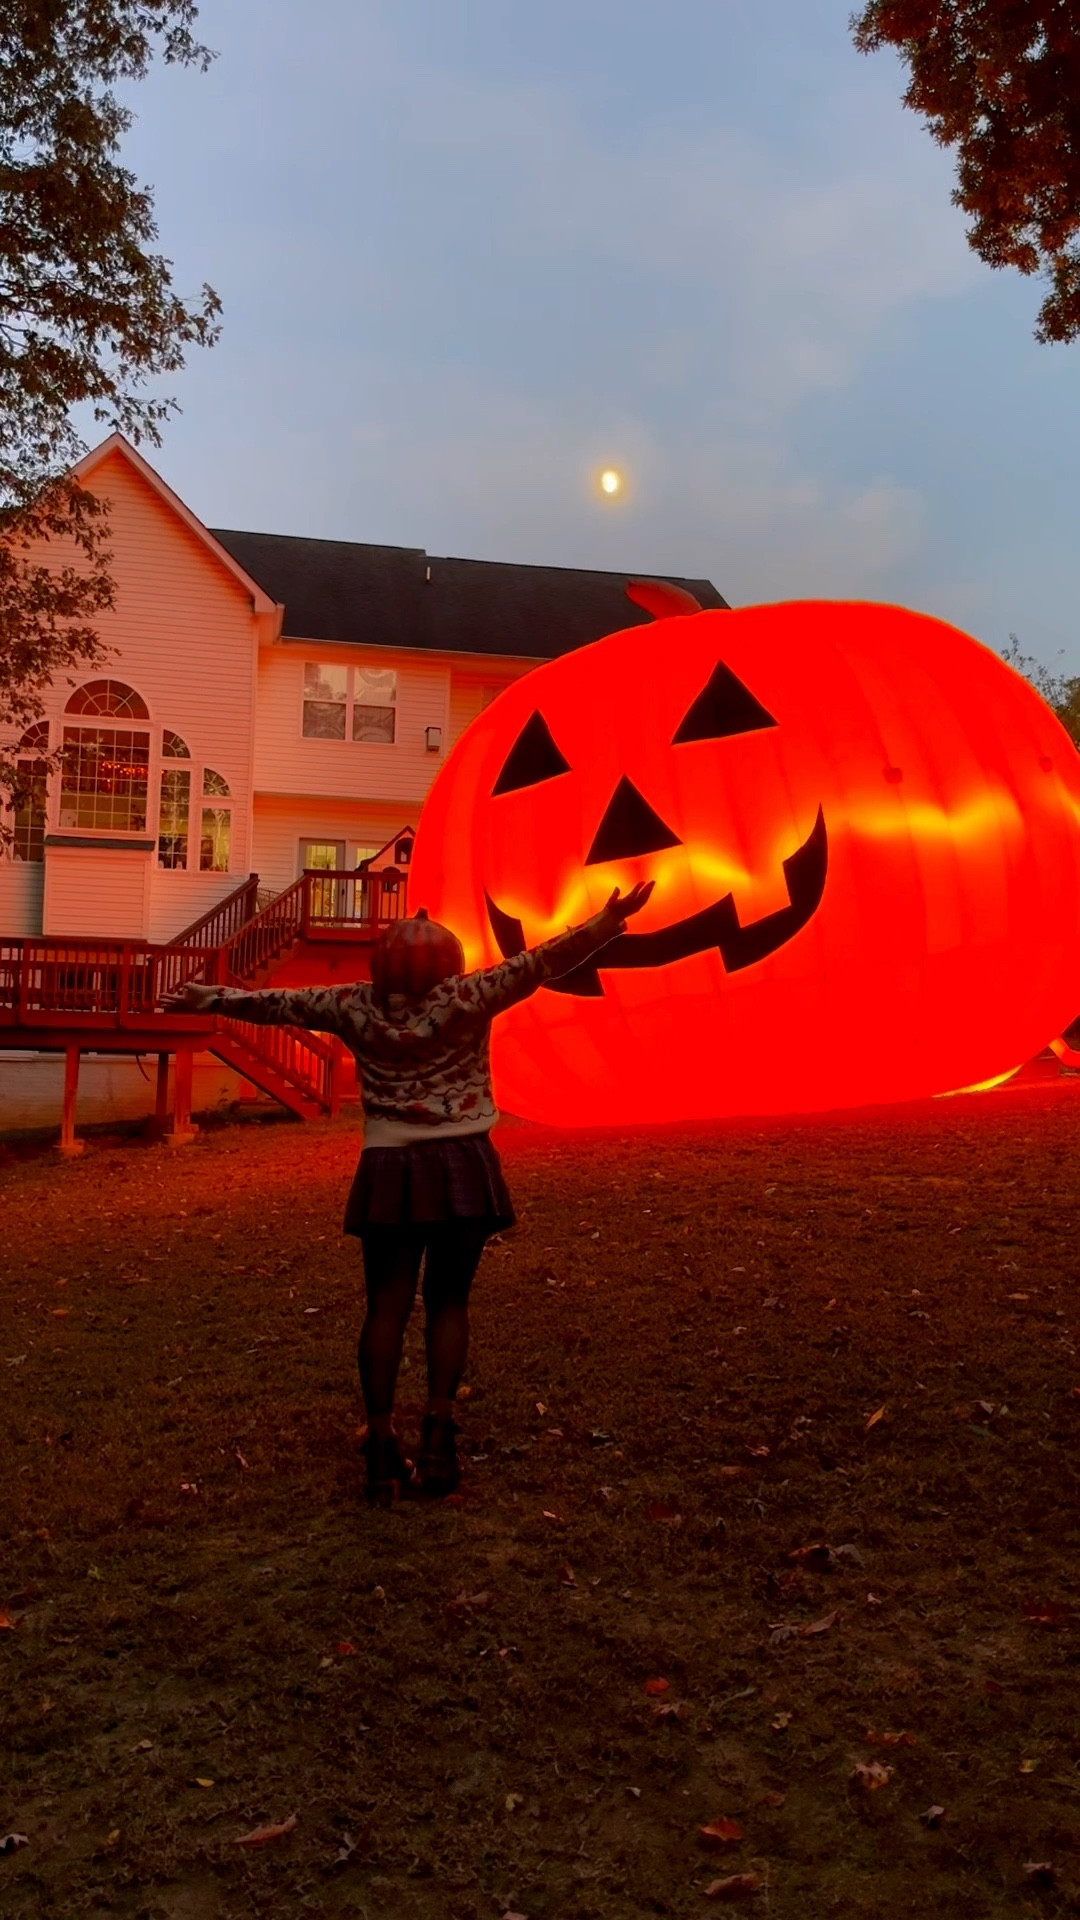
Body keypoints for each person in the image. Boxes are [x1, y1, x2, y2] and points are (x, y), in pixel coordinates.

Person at [163, 879, 654, 1506]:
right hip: (462, 1162)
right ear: (450, 963)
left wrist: (213, 998)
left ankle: (379, 1447)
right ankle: (439, 1438)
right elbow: (542, 962)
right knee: (449, 1302)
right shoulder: (471, 995)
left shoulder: (351, 1005)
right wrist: (607, 920)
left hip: (390, 1167)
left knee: (386, 1306)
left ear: (381, 963)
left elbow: (280, 1005)